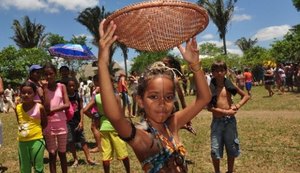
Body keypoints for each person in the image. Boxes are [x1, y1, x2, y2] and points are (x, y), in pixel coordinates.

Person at [98, 19, 211, 172]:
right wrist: (103, 63)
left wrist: (195, 65)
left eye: (169, 97)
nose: (162, 103)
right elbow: (116, 117)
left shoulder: (172, 124)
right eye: (153, 97)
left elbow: (204, 98)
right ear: (140, 100)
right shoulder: (141, 137)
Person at [207, 61, 250, 173]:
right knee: (215, 149)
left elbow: (246, 96)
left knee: (232, 147)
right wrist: (224, 111)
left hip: (230, 121)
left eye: (221, 70)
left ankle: (230, 171)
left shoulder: (229, 85)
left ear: (225, 71)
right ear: (212, 73)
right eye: (216, 71)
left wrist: (237, 106)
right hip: (217, 122)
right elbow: (208, 107)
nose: (219, 73)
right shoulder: (210, 88)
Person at [41, 63, 70, 173]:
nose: (49, 76)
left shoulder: (61, 87)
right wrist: (44, 89)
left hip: (61, 123)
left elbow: (67, 104)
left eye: (51, 74)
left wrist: (53, 110)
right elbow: (45, 106)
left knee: (62, 153)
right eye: (46, 74)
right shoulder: (42, 89)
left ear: (55, 73)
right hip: (48, 124)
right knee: (52, 154)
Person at [15, 81, 47, 173]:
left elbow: (44, 123)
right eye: (23, 92)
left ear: (34, 94)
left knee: (38, 167)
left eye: (29, 93)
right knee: (24, 168)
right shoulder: (17, 108)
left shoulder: (39, 107)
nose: (26, 95)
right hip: (22, 143)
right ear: (20, 93)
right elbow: (19, 122)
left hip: (37, 141)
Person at [95, 90, 130, 173]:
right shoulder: (115, 96)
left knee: (106, 155)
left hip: (103, 127)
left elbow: (85, 110)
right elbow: (120, 113)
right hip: (115, 127)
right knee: (123, 152)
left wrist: (97, 117)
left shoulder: (97, 97)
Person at [66, 78, 96, 167]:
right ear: (66, 87)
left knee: (83, 140)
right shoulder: (65, 97)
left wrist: (81, 121)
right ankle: (75, 159)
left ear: (76, 86)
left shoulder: (78, 96)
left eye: (73, 85)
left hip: (78, 121)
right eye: (69, 86)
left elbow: (81, 109)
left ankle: (89, 158)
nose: (71, 87)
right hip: (68, 122)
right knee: (71, 141)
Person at [162, 56, 196, 135]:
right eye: (162, 63)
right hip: (163, 107)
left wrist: (187, 119)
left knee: (170, 130)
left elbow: (181, 98)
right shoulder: (159, 76)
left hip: (171, 106)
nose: (163, 66)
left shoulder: (174, 78)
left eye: (165, 64)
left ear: (171, 65)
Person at [82, 75, 102, 153]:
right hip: (97, 110)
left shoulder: (98, 89)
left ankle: (99, 146)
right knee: (98, 127)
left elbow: (94, 100)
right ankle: (101, 144)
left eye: (95, 81)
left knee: (94, 128)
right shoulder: (98, 88)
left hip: (96, 111)